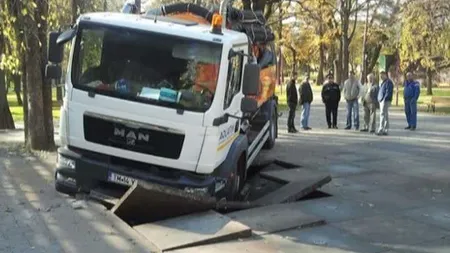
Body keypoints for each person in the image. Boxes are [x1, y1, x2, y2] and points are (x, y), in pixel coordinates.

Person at [376, 71, 394, 136]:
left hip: (385, 101)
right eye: (380, 76)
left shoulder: (388, 82)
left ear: (385, 75)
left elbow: (388, 92)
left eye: (382, 75)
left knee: (382, 114)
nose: (381, 77)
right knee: (385, 115)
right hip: (381, 100)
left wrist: (384, 99)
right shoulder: (383, 82)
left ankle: (381, 129)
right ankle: (385, 129)